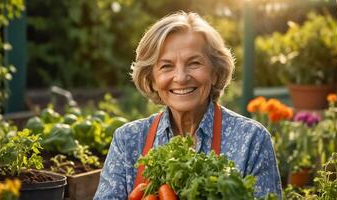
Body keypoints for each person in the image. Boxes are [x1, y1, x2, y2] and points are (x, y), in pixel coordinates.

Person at [94, 11, 282, 200]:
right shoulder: (128, 140)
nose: (181, 78)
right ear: (152, 80)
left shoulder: (252, 140)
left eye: (194, 63)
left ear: (215, 72)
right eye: (166, 66)